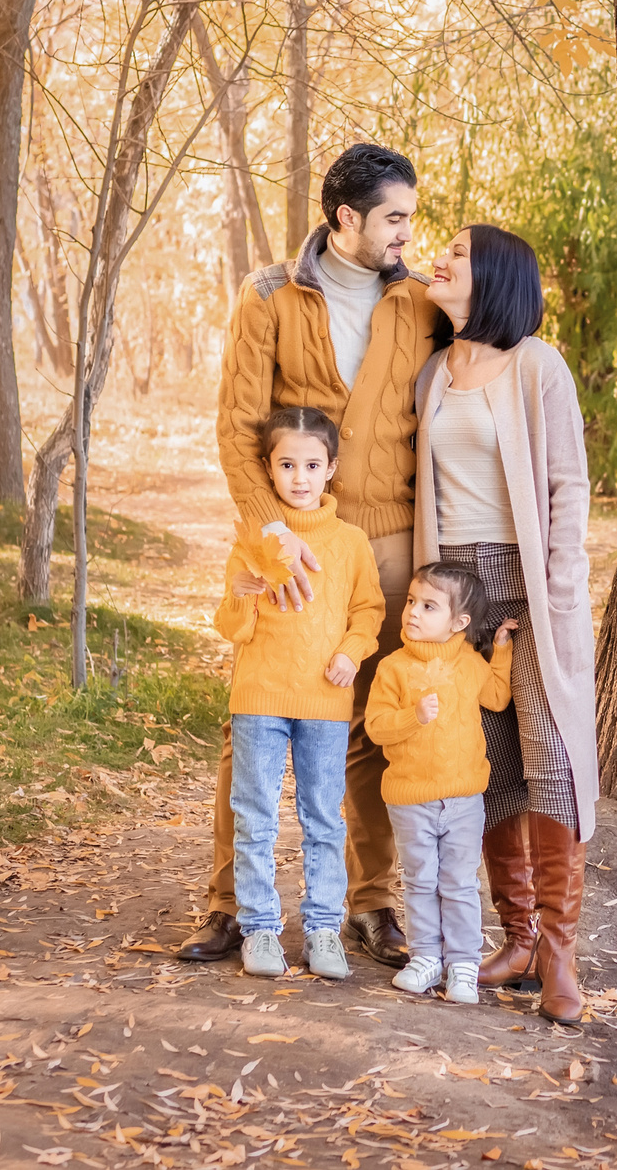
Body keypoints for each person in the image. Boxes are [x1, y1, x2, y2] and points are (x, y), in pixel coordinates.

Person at [181, 144, 436, 970]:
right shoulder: (269, 296)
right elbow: (236, 426)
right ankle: (229, 905)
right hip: (290, 541)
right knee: (253, 718)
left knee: (369, 721)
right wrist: (271, 536)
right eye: (394, 216)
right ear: (346, 218)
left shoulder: (424, 304)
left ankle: (371, 903)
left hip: (389, 541)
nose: (407, 231)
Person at [413, 223, 600, 1026]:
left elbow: (568, 485)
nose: (440, 258)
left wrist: (556, 592)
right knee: (485, 765)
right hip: (458, 591)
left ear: (492, 274)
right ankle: (517, 937)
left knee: (551, 760)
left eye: (457, 251)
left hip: (528, 588)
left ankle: (559, 949)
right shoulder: (434, 374)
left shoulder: (537, 364)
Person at [212, 407, 386, 980]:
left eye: (312, 464)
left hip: (326, 704)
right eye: (287, 465)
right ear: (269, 468)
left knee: (323, 820)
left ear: (332, 468)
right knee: (255, 815)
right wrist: (240, 593)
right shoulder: (254, 540)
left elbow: (369, 611)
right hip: (260, 697)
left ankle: (322, 931)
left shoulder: (350, 543)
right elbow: (231, 626)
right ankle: (259, 930)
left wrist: (350, 653)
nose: (300, 477)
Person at [362, 563, 517, 1004]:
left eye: (429, 606)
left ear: (459, 623)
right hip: (410, 798)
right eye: (412, 601)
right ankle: (426, 956)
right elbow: (375, 726)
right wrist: (414, 717)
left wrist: (500, 651)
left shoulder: (470, 665)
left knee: (459, 883)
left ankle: (464, 964)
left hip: (464, 796)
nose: (412, 612)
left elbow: (498, 696)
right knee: (419, 880)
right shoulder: (393, 668)